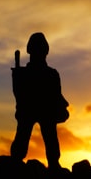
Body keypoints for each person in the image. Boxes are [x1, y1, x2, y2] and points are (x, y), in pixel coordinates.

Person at [10, 32, 69, 168]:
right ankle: (17, 160)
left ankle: (52, 162)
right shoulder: (44, 74)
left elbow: (56, 95)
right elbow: (18, 93)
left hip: (44, 111)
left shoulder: (51, 74)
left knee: (49, 138)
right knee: (24, 137)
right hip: (32, 110)